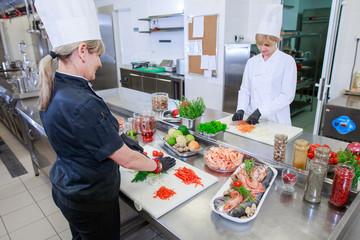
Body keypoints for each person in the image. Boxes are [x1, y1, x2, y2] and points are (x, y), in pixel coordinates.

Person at [35, 0, 176, 239]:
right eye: (97, 55)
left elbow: (83, 135)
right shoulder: (81, 101)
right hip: (91, 199)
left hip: (67, 189)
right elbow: (128, 161)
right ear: (82, 51)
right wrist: (157, 165)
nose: (100, 62)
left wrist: (117, 137)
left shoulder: (55, 85)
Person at [232, 4, 297, 126]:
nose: (262, 48)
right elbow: (245, 90)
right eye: (259, 44)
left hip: (276, 120)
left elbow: (287, 96)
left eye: (267, 45)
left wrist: (261, 111)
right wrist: (241, 108)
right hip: (252, 118)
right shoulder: (252, 62)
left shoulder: (287, 61)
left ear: (276, 42)